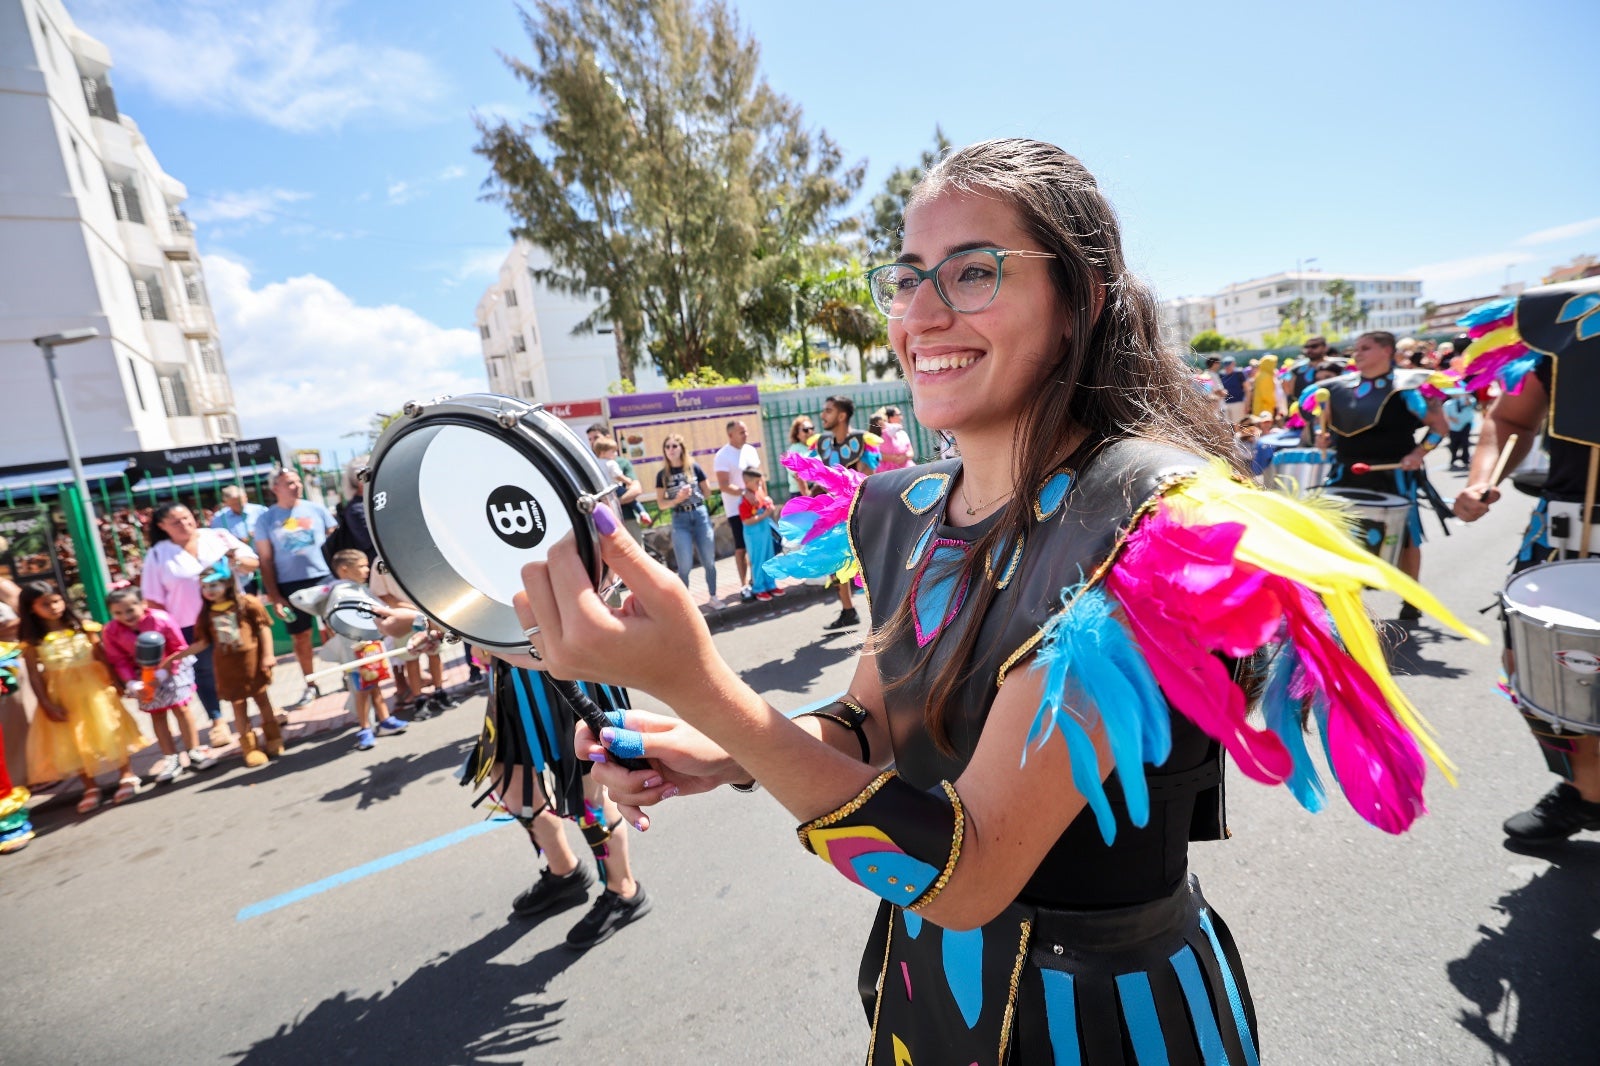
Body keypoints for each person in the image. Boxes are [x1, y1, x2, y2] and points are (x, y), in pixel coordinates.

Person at [504, 138, 1472, 1065]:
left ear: (1077, 299)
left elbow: (967, 872)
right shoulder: (903, 506)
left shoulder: (1148, 530)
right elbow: (869, 721)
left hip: (1109, 1018)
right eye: (905, 275)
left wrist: (703, 685)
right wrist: (725, 750)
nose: (920, 313)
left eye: (972, 271)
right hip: (932, 1002)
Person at [1451, 339, 1600, 843]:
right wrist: (1482, 480)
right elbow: (1509, 418)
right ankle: (1588, 793)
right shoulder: (1573, 336)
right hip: (1566, 529)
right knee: (1540, 669)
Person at [465, 659, 651, 949]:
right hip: (510, 673)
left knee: (589, 794)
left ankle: (624, 891)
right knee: (506, 778)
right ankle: (564, 871)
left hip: (566, 667)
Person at [1312, 330, 1453, 605]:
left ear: (1387, 351)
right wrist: (1323, 439)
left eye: (1366, 347)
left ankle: (1411, 599)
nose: (1358, 353)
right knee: (1336, 531)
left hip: (1395, 472)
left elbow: (1439, 428)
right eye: (1356, 348)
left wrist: (1418, 453)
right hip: (1347, 471)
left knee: (1408, 536)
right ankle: (1341, 598)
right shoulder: (1338, 388)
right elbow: (1327, 430)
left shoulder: (1407, 387)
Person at [18, 582, 144, 812]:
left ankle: (127, 774)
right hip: (62, 695)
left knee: (111, 728)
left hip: (95, 689)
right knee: (73, 739)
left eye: (56, 600)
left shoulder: (84, 628)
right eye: (45, 604)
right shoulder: (32, 643)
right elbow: (35, 677)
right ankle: (90, 786)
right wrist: (45, 703)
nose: (54, 607)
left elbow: (102, 656)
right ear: (31, 609)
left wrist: (116, 681)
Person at [142, 502, 260, 746]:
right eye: (176, 521)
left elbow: (252, 562)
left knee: (243, 661)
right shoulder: (157, 554)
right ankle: (217, 721)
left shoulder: (217, 537)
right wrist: (168, 634)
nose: (184, 524)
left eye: (187, 517)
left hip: (229, 615)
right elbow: (153, 599)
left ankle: (261, 711)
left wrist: (235, 561)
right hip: (189, 624)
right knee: (205, 671)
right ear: (163, 526)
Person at [163, 559, 284, 768]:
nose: (208, 590)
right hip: (228, 670)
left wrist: (268, 655)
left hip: (253, 664)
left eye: (213, 585)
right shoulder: (206, 614)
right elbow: (202, 642)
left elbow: (264, 628)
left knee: (263, 700)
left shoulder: (247, 604)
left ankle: (273, 738)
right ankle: (250, 747)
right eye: (204, 587)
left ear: (227, 583)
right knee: (239, 707)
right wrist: (175, 657)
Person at [102, 588, 211, 782]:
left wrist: (164, 670)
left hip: (170, 668)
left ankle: (193, 751)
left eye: (130, 609)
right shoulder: (111, 631)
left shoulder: (161, 619)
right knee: (157, 714)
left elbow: (178, 647)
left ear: (143, 604)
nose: (126, 616)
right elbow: (118, 659)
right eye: (118, 613)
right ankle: (171, 757)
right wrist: (131, 682)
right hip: (141, 677)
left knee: (181, 709)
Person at [254, 468, 337, 710]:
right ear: (275, 488)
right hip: (289, 585)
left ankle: (347, 673)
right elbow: (265, 560)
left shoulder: (317, 509)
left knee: (335, 628)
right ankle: (311, 684)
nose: (296, 486)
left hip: (324, 578)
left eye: (297, 481)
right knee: (301, 638)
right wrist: (275, 596)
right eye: (289, 483)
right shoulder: (266, 519)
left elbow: (335, 542)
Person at [807, 396, 881, 630]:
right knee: (837, 564)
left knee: (869, 566)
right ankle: (848, 610)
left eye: (828, 411)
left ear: (841, 416)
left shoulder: (861, 442)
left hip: (860, 512)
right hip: (834, 513)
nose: (823, 415)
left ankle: (884, 615)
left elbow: (868, 479)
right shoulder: (823, 444)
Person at [654, 434, 716, 596]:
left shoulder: (694, 468)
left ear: (682, 448)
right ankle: (685, 603)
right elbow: (661, 503)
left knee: (709, 560)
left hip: (699, 514)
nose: (670, 450)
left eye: (674, 446)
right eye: (667, 447)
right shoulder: (662, 475)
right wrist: (678, 499)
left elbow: (707, 491)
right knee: (684, 565)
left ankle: (713, 596)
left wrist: (694, 495)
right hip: (680, 519)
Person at [713, 420, 762, 598]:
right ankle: (743, 585)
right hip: (736, 510)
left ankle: (757, 580)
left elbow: (759, 478)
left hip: (756, 506)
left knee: (755, 545)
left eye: (746, 431)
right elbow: (724, 485)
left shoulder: (750, 450)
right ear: (730, 435)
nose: (745, 434)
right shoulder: (722, 456)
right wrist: (744, 493)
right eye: (741, 432)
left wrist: (763, 497)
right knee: (741, 547)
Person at [588, 423, 652, 529]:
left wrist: (615, 502)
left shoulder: (621, 462)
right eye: (590, 439)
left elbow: (636, 489)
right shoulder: (590, 464)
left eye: (596, 437)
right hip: (602, 521)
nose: (593, 442)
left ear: (607, 437)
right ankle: (642, 512)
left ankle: (642, 513)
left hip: (626, 518)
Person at [209, 486, 266, 592]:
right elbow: (216, 540)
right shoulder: (219, 519)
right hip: (240, 565)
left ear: (246, 497)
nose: (239, 506)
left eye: (240, 501)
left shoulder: (260, 511)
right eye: (234, 503)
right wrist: (237, 541)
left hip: (264, 558)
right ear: (226, 503)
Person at [738, 466, 782, 602]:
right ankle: (759, 588)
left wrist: (768, 506)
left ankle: (770, 584)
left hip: (764, 532)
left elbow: (765, 506)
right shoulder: (745, 499)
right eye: (757, 482)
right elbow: (746, 521)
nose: (760, 484)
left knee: (768, 557)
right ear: (747, 483)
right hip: (754, 533)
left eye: (760, 481)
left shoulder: (759, 493)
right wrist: (764, 515)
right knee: (758, 559)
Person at [589, 437, 637, 526]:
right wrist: (628, 481)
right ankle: (642, 511)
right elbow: (618, 476)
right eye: (613, 451)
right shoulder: (611, 463)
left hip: (602, 491)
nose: (615, 454)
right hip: (613, 488)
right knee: (632, 499)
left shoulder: (595, 463)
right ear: (603, 452)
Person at [874, 406, 916, 471]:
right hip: (887, 472)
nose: (901, 417)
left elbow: (911, 452)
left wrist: (905, 457)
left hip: (907, 469)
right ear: (890, 418)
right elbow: (876, 454)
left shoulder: (903, 433)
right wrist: (893, 458)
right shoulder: (880, 435)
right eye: (898, 414)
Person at [784, 415, 816, 497]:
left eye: (812, 428)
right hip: (801, 493)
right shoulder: (795, 450)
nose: (810, 432)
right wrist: (807, 494)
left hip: (815, 489)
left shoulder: (813, 448)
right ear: (797, 434)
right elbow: (798, 474)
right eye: (805, 430)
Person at [1217, 355, 1247, 422]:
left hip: (1238, 402)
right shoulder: (1221, 374)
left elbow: (1247, 388)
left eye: (1229, 365)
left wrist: (1246, 404)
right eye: (1226, 365)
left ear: (1233, 364)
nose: (1227, 367)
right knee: (1227, 424)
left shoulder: (1239, 373)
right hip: (1225, 403)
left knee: (1237, 423)